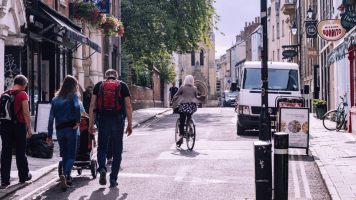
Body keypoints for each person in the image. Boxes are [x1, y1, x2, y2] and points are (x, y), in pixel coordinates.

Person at [89, 69, 132, 187]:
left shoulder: (99, 85)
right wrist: (130, 124)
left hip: (103, 119)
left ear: (105, 76)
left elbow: (92, 105)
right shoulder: (122, 85)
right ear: (116, 76)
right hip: (118, 119)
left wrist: (90, 124)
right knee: (117, 149)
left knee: (102, 146)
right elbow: (128, 106)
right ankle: (113, 178)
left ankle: (102, 168)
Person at [47, 75, 81, 191]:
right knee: (72, 155)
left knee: (65, 154)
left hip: (59, 129)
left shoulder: (55, 99)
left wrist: (49, 135)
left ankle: (68, 179)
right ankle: (66, 174)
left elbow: (51, 118)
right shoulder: (73, 95)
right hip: (71, 127)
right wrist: (78, 121)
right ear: (73, 86)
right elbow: (77, 106)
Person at [0, 75, 32, 186]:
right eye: (26, 85)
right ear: (23, 84)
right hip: (19, 125)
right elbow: (26, 112)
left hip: (5, 126)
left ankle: (4, 179)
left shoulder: (4, 94)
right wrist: (29, 128)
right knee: (20, 151)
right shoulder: (22, 94)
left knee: (5, 152)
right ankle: (23, 177)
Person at [171, 75, 205, 147]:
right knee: (189, 116)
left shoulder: (182, 87)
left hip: (183, 107)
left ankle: (181, 138)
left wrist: (173, 102)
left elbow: (176, 95)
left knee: (182, 122)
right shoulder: (194, 88)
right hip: (191, 107)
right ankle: (190, 126)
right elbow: (196, 97)